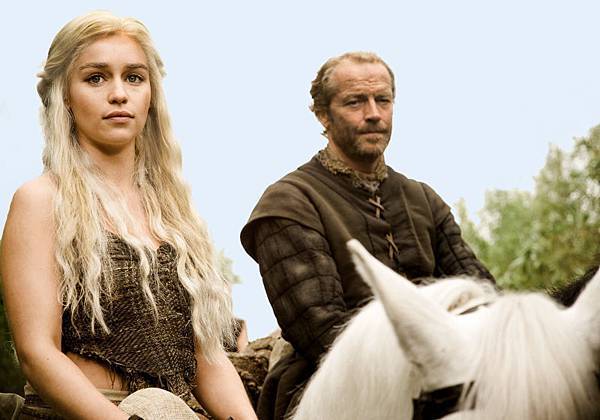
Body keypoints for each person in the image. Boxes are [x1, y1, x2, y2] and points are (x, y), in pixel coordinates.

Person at [0, 11, 257, 420]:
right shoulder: (41, 200)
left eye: (134, 77)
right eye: (96, 78)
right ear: (65, 95)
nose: (119, 94)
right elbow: (37, 353)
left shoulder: (176, 213)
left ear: (151, 95)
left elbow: (206, 359)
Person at [240, 51, 495, 420]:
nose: (373, 113)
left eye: (383, 100)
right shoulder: (289, 201)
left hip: (446, 375)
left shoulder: (422, 198)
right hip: (333, 387)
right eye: (355, 102)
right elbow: (322, 333)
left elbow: (482, 297)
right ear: (323, 115)